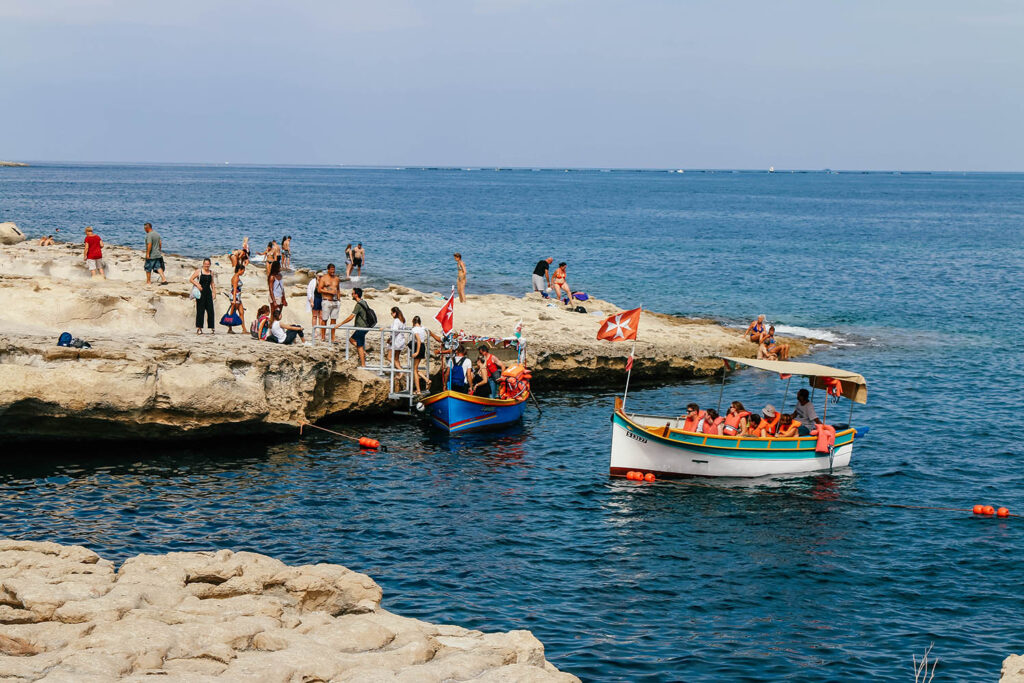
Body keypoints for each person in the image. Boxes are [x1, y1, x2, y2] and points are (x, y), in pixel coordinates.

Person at [336, 287, 371, 366]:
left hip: (361, 327)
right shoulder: (364, 302)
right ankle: (363, 357)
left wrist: (340, 324)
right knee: (354, 341)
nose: (352, 295)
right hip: (365, 326)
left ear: (356, 295)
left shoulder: (359, 305)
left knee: (359, 345)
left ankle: (363, 364)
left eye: (352, 294)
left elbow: (351, 317)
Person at [190, 258, 217, 334]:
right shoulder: (199, 271)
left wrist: (214, 292)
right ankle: (199, 328)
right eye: (205, 264)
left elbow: (212, 283)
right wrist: (197, 285)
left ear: (210, 264)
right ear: (203, 264)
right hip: (200, 293)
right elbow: (191, 279)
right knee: (200, 310)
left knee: (210, 310)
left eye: (208, 264)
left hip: (208, 292)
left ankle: (212, 327)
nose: (206, 265)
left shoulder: (211, 272)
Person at [318, 263, 342, 342]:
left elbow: (338, 289)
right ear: (328, 270)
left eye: (333, 270)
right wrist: (329, 292)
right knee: (324, 319)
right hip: (327, 301)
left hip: (335, 302)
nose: (333, 271)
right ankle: (323, 337)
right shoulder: (323, 278)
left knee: (333, 320)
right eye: (331, 270)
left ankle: (332, 337)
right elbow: (319, 289)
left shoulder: (337, 279)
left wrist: (339, 298)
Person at [410, 315, 431, 393]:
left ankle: (418, 390)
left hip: (418, 347)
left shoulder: (415, 329)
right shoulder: (423, 328)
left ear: (413, 322)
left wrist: (417, 352)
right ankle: (426, 380)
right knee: (415, 368)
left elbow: (418, 340)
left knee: (414, 370)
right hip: (422, 346)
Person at [228, 262, 246, 332]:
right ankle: (230, 328)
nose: (243, 272)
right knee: (232, 313)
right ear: (239, 270)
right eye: (243, 271)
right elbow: (234, 289)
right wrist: (234, 299)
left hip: (238, 297)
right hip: (235, 297)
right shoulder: (235, 278)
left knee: (241, 312)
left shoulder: (237, 277)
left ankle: (244, 329)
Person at [307, 272, 323, 340]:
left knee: (321, 316)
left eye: (321, 276)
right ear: (316, 276)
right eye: (319, 276)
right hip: (315, 299)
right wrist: (311, 301)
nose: (320, 277)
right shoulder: (312, 282)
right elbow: (309, 292)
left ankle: (321, 331)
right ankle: (315, 331)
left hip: (322, 299)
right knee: (314, 316)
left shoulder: (323, 282)